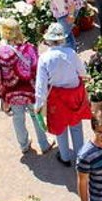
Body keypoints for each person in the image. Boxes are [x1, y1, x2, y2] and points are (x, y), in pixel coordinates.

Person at [0, 17, 52, 154]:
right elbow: (38, 70)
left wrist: (0, 94)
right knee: (36, 116)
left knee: (18, 118)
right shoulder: (29, 48)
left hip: (12, 93)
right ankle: (44, 144)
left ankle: (24, 145)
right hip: (30, 90)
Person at [34, 23, 91, 165]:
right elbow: (82, 72)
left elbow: (41, 84)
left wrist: (39, 104)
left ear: (48, 40)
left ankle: (65, 157)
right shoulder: (71, 53)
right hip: (74, 96)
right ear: (63, 39)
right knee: (76, 126)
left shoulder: (44, 58)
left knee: (60, 127)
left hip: (56, 98)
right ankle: (80, 158)